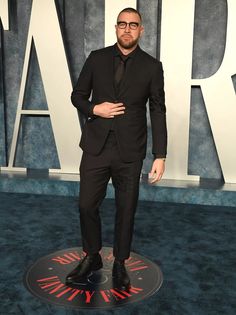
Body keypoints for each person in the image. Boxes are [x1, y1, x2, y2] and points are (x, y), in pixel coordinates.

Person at [66, 7, 167, 291]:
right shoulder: (97, 59)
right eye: (122, 24)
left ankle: (120, 263)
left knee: (126, 209)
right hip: (96, 146)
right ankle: (92, 255)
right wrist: (94, 108)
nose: (127, 29)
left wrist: (160, 155)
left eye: (133, 25)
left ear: (141, 30)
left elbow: (158, 110)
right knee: (86, 204)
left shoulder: (151, 66)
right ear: (115, 28)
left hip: (130, 151)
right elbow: (77, 95)